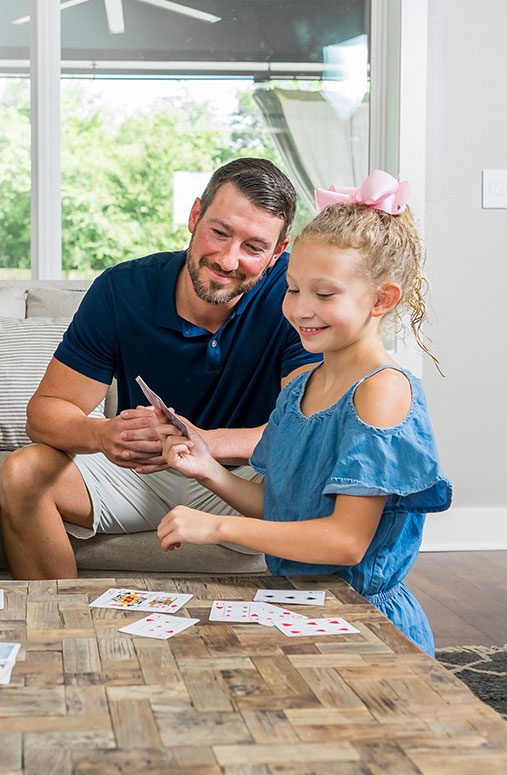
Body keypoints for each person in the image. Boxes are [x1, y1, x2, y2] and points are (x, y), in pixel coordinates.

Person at [155, 171, 451, 655]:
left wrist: (216, 526)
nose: (301, 309)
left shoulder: (382, 392)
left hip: (364, 624)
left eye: (325, 294)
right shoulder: (302, 388)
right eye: (293, 290)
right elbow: (283, 505)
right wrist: (209, 471)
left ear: (382, 300)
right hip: (300, 608)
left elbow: (345, 541)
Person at [0, 158, 321, 580]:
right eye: (219, 233)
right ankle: (61, 630)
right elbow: (45, 412)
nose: (227, 260)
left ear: (278, 252)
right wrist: (101, 434)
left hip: (246, 480)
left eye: (253, 248)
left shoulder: (296, 296)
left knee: (313, 485)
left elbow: (306, 430)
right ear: (194, 216)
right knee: (23, 473)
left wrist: (205, 443)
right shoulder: (123, 289)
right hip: (144, 474)